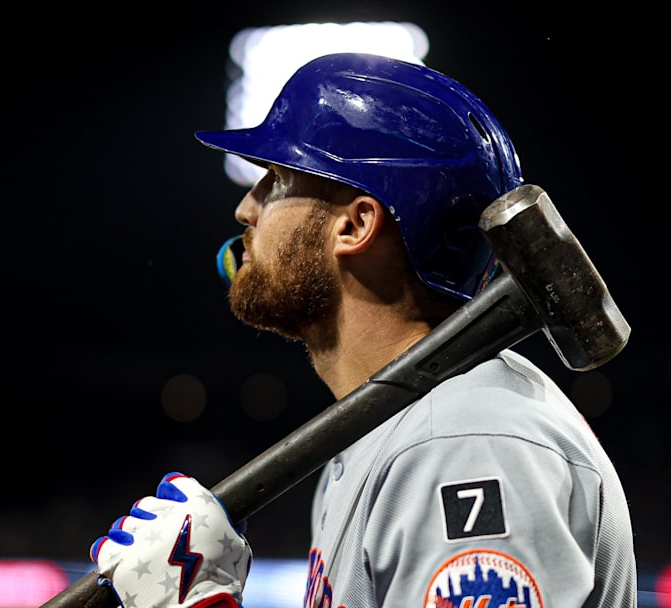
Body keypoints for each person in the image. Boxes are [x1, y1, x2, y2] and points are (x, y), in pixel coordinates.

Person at [88, 52, 637, 608]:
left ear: (355, 224)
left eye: (274, 180)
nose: (244, 208)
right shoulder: (393, 429)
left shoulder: (465, 440)